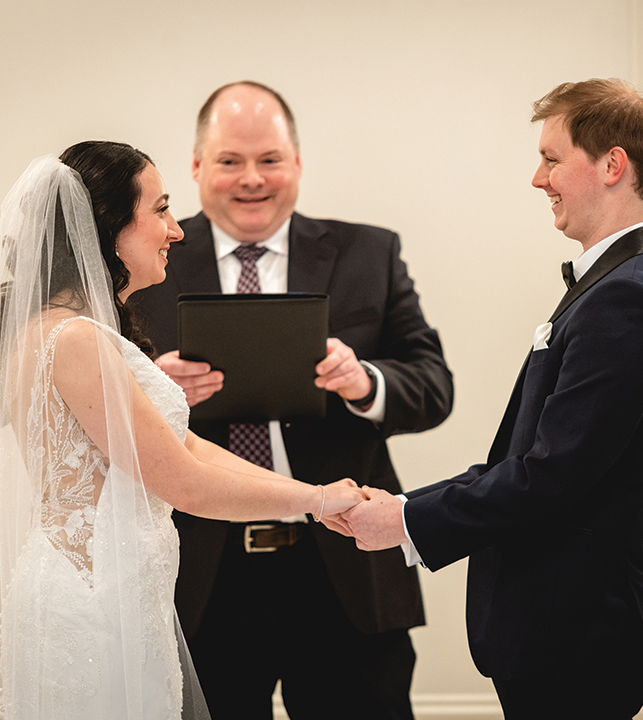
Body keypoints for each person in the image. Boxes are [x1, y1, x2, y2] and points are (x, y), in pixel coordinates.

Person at [0, 141, 365, 720]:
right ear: (109, 227)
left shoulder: (64, 331)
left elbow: (187, 448)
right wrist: (319, 499)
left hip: (108, 596)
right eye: (160, 210)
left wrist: (315, 500)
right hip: (95, 609)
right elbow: (187, 483)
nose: (175, 230)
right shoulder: (76, 341)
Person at [329, 79, 643, 720]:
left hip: (578, 635)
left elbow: (550, 478)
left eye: (552, 159)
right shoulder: (612, 285)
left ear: (613, 165)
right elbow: (529, 461)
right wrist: (405, 505)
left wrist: (407, 523)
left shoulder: (627, 298)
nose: (537, 178)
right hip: (558, 631)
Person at [131, 81, 453, 720]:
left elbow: (433, 385)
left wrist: (364, 383)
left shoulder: (369, 252)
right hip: (197, 575)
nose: (252, 179)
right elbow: (85, 393)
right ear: (197, 167)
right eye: (229, 161)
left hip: (343, 565)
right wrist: (154, 388)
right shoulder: (142, 262)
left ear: (297, 163)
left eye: (270, 160)